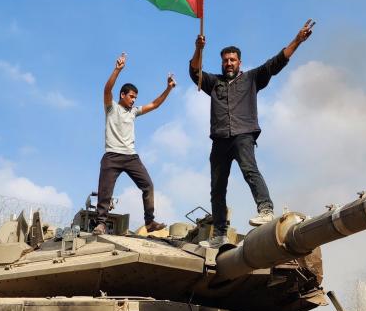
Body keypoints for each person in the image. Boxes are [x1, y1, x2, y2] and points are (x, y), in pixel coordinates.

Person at [189, 20, 316, 248]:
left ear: (240, 62)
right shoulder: (213, 82)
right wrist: (198, 48)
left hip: (242, 134)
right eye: (225, 60)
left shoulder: (251, 79)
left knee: (250, 170)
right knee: (217, 187)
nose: (229, 63)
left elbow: (276, 63)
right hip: (219, 139)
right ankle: (219, 234)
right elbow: (194, 71)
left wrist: (297, 41)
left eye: (232, 60)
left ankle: (265, 209)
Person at [95, 53, 174, 235]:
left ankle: (150, 222)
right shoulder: (111, 107)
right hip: (112, 156)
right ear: (122, 95)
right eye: (131, 96)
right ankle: (101, 223)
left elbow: (154, 104)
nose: (134, 100)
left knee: (148, 185)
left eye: (135, 98)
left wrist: (168, 88)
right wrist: (118, 69)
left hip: (131, 156)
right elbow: (107, 90)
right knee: (105, 191)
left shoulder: (134, 112)